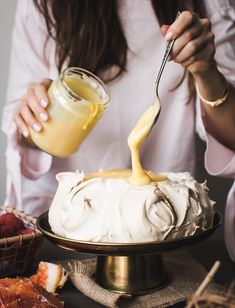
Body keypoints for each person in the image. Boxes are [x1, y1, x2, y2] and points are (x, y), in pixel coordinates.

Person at [2, 0, 235, 260]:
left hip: (162, 235)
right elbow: (26, 133)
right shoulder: (41, 5)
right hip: (57, 238)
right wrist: (33, 115)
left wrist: (207, 71)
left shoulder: (207, 6)